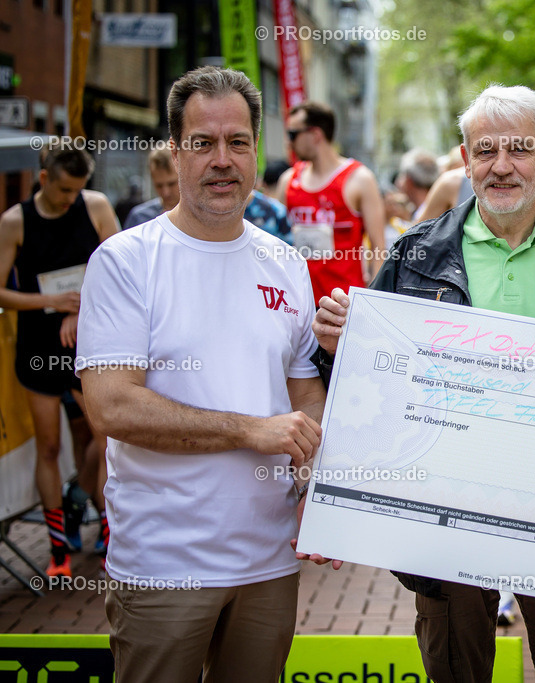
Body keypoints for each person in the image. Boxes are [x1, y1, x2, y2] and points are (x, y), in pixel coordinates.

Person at [311, 84, 535, 683]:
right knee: (455, 668)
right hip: (446, 505)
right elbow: (362, 388)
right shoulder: (415, 256)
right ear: (464, 161)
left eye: (520, 149)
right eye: (485, 150)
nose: (502, 166)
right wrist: (339, 350)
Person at [76, 66, 326, 683]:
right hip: (166, 564)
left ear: (256, 150)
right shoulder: (127, 261)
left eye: (238, 142)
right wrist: (252, 431)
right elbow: (112, 408)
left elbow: (304, 395)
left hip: (270, 563)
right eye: (203, 143)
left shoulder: (286, 264)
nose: (223, 160)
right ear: (177, 152)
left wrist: (324, 492)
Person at [0, 145, 119, 577]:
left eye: (79, 189)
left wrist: (78, 308)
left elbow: (122, 271)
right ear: (44, 177)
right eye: (65, 189)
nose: (72, 198)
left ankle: (108, 530)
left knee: (106, 439)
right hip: (38, 346)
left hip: (90, 340)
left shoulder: (97, 207)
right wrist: (50, 301)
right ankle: (57, 551)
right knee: (49, 446)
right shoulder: (15, 221)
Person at [278, 101, 386, 302]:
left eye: (293, 134)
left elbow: (379, 248)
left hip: (342, 304)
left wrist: (372, 300)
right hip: (298, 302)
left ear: (316, 134)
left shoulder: (359, 180)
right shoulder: (288, 181)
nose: (288, 142)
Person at [124, 148, 180, 229]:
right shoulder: (139, 217)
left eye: (171, 184)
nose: (165, 192)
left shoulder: (199, 215)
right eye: (159, 186)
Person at [396, 148, 440, 222]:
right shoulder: (440, 208)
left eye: (402, 175)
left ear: (408, 181)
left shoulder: (426, 216)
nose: (398, 182)